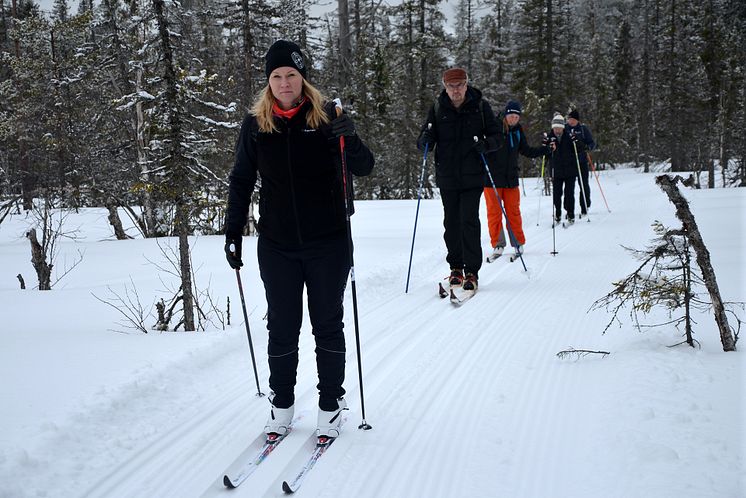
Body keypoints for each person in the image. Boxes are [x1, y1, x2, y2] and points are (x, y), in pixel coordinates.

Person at [223, 40, 374, 439]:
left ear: (302, 78)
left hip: (329, 241)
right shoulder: (255, 125)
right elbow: (241, 180)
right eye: (276, 76)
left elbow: (364, 166)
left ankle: (330, 405)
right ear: (268, 81)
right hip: (276, 244)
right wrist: (232, 231)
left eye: (291, 75)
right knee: (283, 326)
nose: (284, 82)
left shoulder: (328, 116)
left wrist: (351, 137)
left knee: (327, 323)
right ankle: (283, 403)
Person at [416, 67, 500, 292]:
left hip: (473, 176)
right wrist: (425, 141)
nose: (456, 90)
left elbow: (497, 136)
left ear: (466, 84)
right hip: (447, 176)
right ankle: (456, 268)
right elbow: (425, 137)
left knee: (468, 220)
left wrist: (486, 145)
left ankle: (472, 270)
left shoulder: (480, 106)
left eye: (460, 85)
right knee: (451, 222)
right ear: (445, 85)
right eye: (451, 86)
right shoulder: (437, 107)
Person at [482, 100, 546, 260]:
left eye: (516, 117)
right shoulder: (495, 127)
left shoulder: (517, 131)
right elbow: (485, 146)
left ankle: (517, 243)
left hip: (511, 179)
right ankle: (498, 243)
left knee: (513, 212)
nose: (513, 119)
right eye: (511, 116)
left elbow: (526, 150)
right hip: (492, 180)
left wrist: (545, 150)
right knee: (494, 213)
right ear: (505, 115)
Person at [546, 113, 577, 224]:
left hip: (570, 170)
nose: (557, 130)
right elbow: (544, 152)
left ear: (563, 128)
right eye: (555, 128)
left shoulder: (569, 136)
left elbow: (579, 149)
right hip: (556, 170)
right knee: (557, 194)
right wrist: (546, 146)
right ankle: (558, 213)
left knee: (569, 193)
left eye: (559, 127)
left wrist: (576, 142)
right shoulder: (549, 138)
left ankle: (571, 214)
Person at [566, 109, 596, 216]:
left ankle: (585, 206)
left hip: (582, 161)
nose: (571, 121)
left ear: (577, 120)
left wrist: (586, 147)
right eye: (569, 119)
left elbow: (592, 143)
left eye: (573, 119)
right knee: (569, 187)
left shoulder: (583, 129)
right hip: (569, 162)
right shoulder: (565, 129)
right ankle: (569, 209)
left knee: (583, 184)